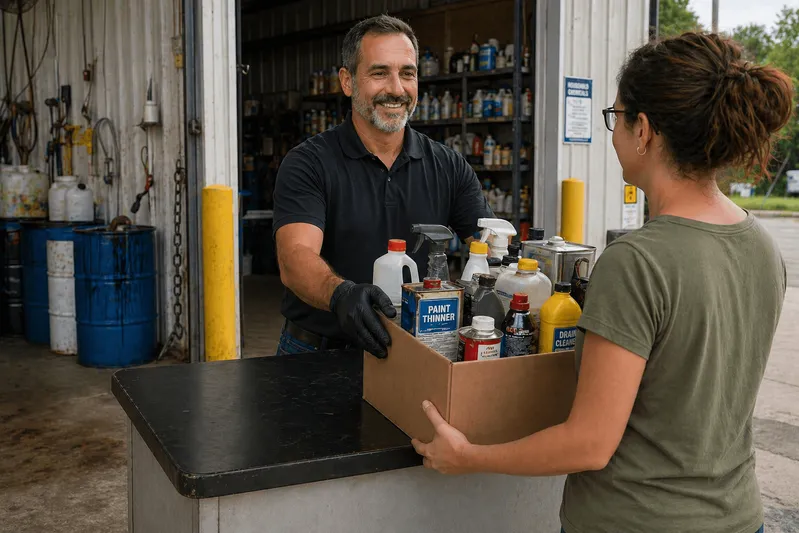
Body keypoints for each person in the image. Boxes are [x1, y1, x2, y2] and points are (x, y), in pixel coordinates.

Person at [412, 32, 793, 533]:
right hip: (740, 518)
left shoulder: (636, 261)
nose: (612, 134)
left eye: (615, 117)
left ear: (644, 131)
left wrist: (470, 455)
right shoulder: (760, 243)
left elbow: (589, 443)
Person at [273, 15, 493, 358]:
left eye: (407, 73)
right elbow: (294, 258)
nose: (396, 89)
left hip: (415, 353)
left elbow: (487, 245)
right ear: (347, 81)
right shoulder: (310, 162)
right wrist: (340, 294)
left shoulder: (449, 166)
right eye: (379, 73)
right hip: (317, 353)